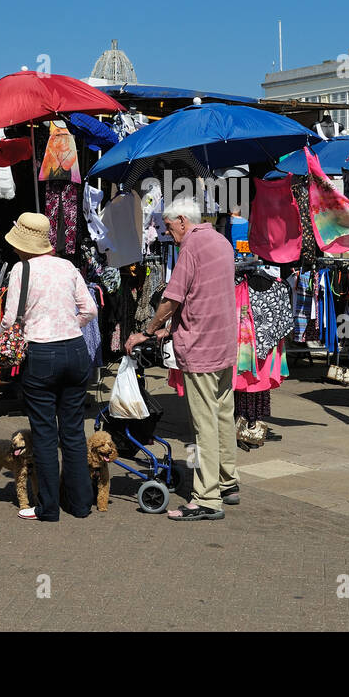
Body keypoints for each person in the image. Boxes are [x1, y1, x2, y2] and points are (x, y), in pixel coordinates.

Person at [126, 197, 238, 521]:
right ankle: (228, 483)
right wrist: (173, 329)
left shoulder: (190, 247)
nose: (166, 231)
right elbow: (202, 295)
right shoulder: (221, 241)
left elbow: (171, 298)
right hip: (224, 343)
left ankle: (207, 498)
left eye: (168, 225)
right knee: (223, 415)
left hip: (201, 347)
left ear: (182, 221)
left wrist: (148, 330)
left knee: (204, 425)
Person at [0, 213, 98, 522]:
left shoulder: (20, 270)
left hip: (41, 354)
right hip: (76, 350)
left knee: (44, 433)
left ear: (22, 244)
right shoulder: (67, 266)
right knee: (72, 430)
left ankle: (48, 507)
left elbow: (11, 318)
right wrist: (68, 324)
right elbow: (90, 309)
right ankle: (81, 504)